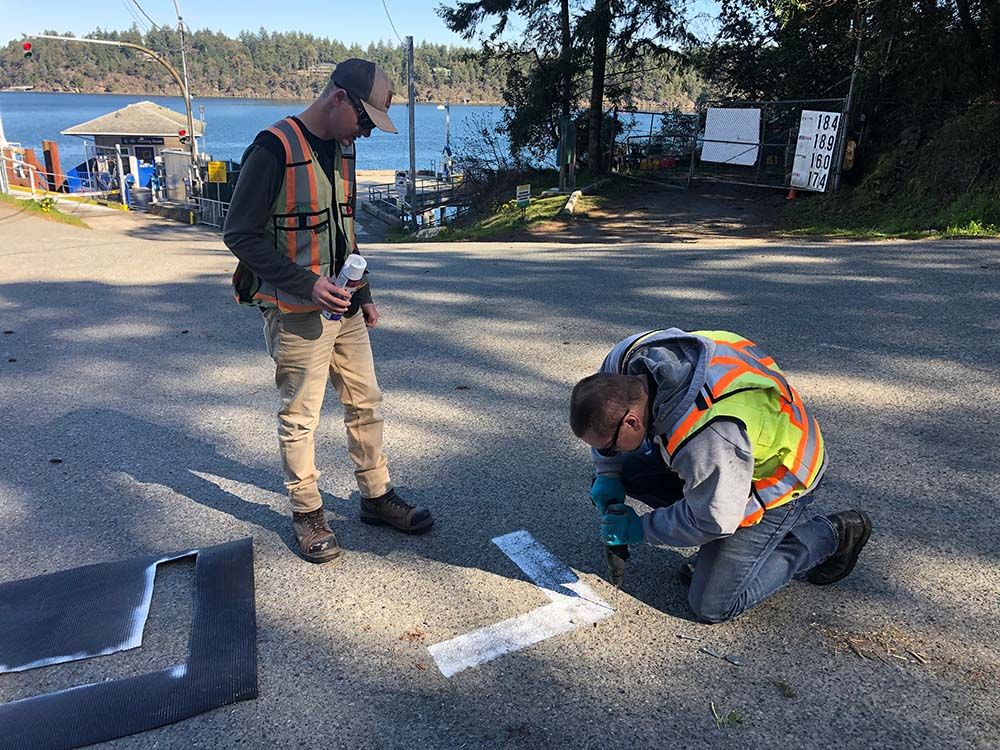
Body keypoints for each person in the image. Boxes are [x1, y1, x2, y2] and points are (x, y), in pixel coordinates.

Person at [223, 59, 433, 564]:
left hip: (344, 306)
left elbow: (344, 228)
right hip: (296, 311)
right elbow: (239, 234)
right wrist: (307, 285)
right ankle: (307, 510)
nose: (365, 132)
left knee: (366, 402)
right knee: (300, 417)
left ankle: (376, 497)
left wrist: (364, 293)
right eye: (364, 120)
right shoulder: (273, 148)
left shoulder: (343, 150)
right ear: (339, 98)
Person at [569, 328, 872, 623]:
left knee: (712, 604)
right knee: (627, 470)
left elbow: (715, 518)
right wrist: (607, 472)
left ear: (632, 422)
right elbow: (603, 420)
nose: (607, 453)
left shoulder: (705, 434)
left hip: (778, 476)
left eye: (609, 448)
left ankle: (830, 534)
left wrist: (641, 529)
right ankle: (721, 547)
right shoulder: (625, 362)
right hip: (729, 459)